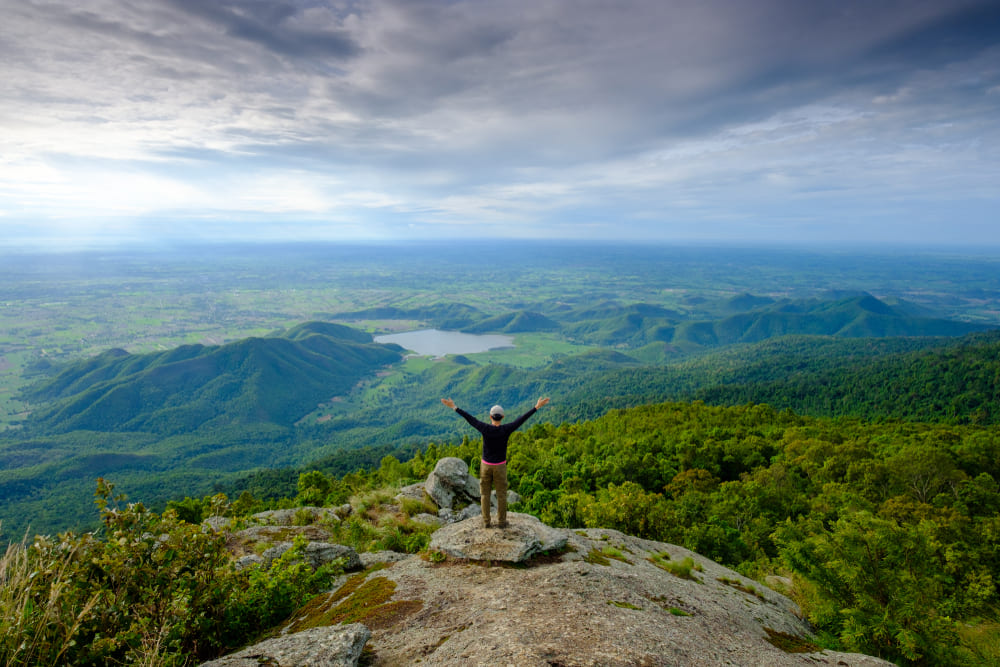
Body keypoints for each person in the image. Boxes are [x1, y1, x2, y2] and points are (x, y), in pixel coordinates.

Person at [441, 396, 550, 528]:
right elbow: (521, 420)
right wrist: (536, 407)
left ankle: (486, 522)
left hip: (486, 466)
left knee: (485, 494)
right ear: (503, 417)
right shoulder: (506, 429)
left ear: (490, 417)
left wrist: (454, 407)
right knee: (501, 495)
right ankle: (501, 522)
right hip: (500, 466)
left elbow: (470, 419)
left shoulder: (485, 428)